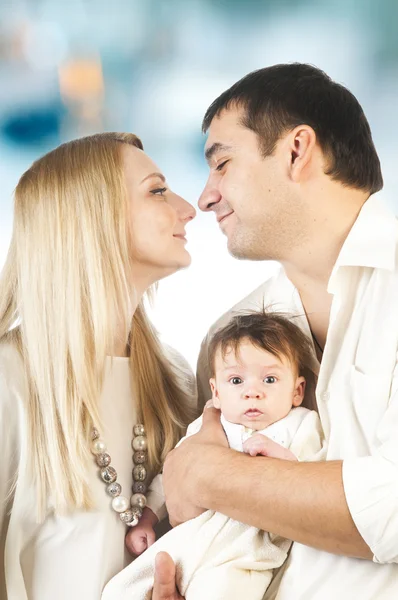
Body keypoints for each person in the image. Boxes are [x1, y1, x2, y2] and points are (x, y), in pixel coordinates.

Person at [156, 63, 398, 599]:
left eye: (222, 164)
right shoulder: (229, 336)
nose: (204, 198)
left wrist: (207, 474)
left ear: (296, 150)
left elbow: (393, 508)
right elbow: (192, 518)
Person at [0, 132, 198, 600]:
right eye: (157, 190)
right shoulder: (11, 379)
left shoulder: (177, 381)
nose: (189, 208)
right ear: (92, 219)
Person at [102, 311, 324, 600]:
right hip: (189, 541)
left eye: (269, 379)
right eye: (236, 381)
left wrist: (280, 457)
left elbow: (314, 477)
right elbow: (171, 477)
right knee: (120, 590)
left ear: (297, 391)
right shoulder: (207, 425)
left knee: (223, 591)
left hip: (246, 550)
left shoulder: (302, 423)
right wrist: (147, 518)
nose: (252, 392)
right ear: (215, 391)